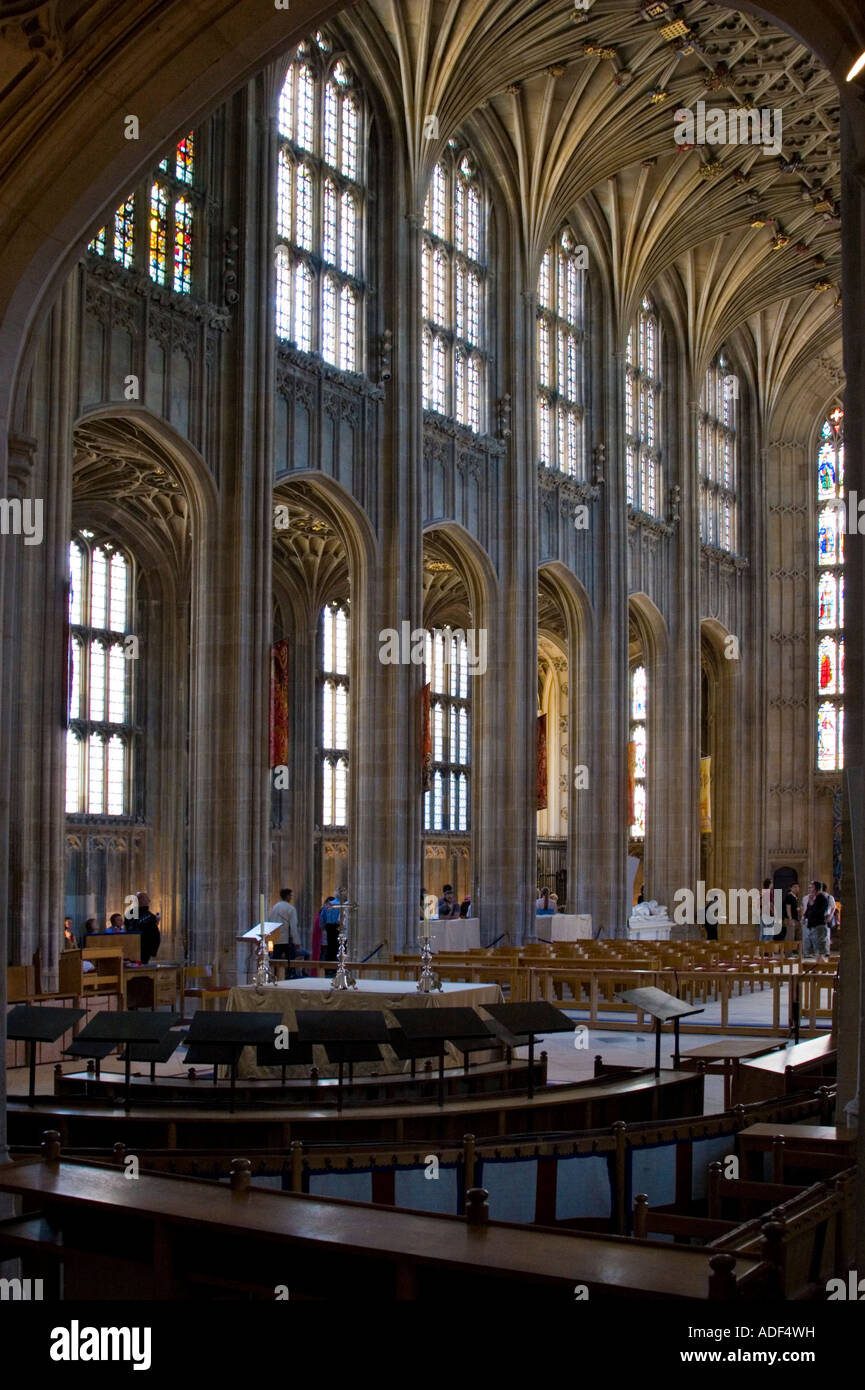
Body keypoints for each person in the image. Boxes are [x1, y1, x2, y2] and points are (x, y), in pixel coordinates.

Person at [269, 888, 309, 971]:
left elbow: (270, 922)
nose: (291, 898)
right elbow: (293, 926)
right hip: (287, 940)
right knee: (290, 962)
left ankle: (276, 976)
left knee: (276, 961)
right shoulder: (290, 909)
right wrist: (297, 942)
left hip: (276, 939)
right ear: (287, 896)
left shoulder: (274, 908)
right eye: (290, 895)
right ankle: (290, 975)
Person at [126, 891, 161, 964]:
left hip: (145, 949)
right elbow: (133, 928)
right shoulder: (132, 913)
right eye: (147, 899)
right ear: (140, 900)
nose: (149, 901)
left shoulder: (149, 915)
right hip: (140, 948)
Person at [802, 880, 830, 963]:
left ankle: (823, 967)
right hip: (813, 925)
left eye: (811, 887)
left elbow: (818, 912)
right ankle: (819, 966)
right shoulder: (813, 898)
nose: (810, 889)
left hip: (819, 925)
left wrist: (811, 902)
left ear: (816, 888)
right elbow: (808, 910)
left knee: (820, 949)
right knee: (816, 949)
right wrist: (804, 917)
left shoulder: (822, 898)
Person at [320, 894, 342, 962]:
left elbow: (322, 917)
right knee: (337, 946)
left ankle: (328, 966)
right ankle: (335, 964)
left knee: (330, 947)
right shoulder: (341, 905)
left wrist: (323, 928)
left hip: (328, 926)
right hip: (337, 927)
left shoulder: (328, 904)